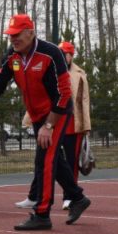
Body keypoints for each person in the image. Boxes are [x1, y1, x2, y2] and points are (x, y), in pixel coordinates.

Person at [0, 14, 90, 230]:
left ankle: (42, 214)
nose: (13, 39)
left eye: (17, 34)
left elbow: (64, 94)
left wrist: (48, 126)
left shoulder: (51, 53)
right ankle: (77, 197)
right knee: (49, 160)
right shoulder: (13, 56)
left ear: (31, 32)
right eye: (10, 35)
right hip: (37, 114)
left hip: (57, 114)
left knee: (47, 160)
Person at [15, 40, 92, 210]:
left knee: (68, 161)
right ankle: (36, 196)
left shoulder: (79, 74)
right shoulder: (49, 66)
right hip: (51, 120)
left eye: (67, 54)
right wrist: (30, 118)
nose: (64, 57)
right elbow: (37, 93)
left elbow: (83, 100)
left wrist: (86, 124)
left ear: (72, 55)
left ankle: (69, 197)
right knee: (43, 159)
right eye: (62, 53)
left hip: (72, 123)